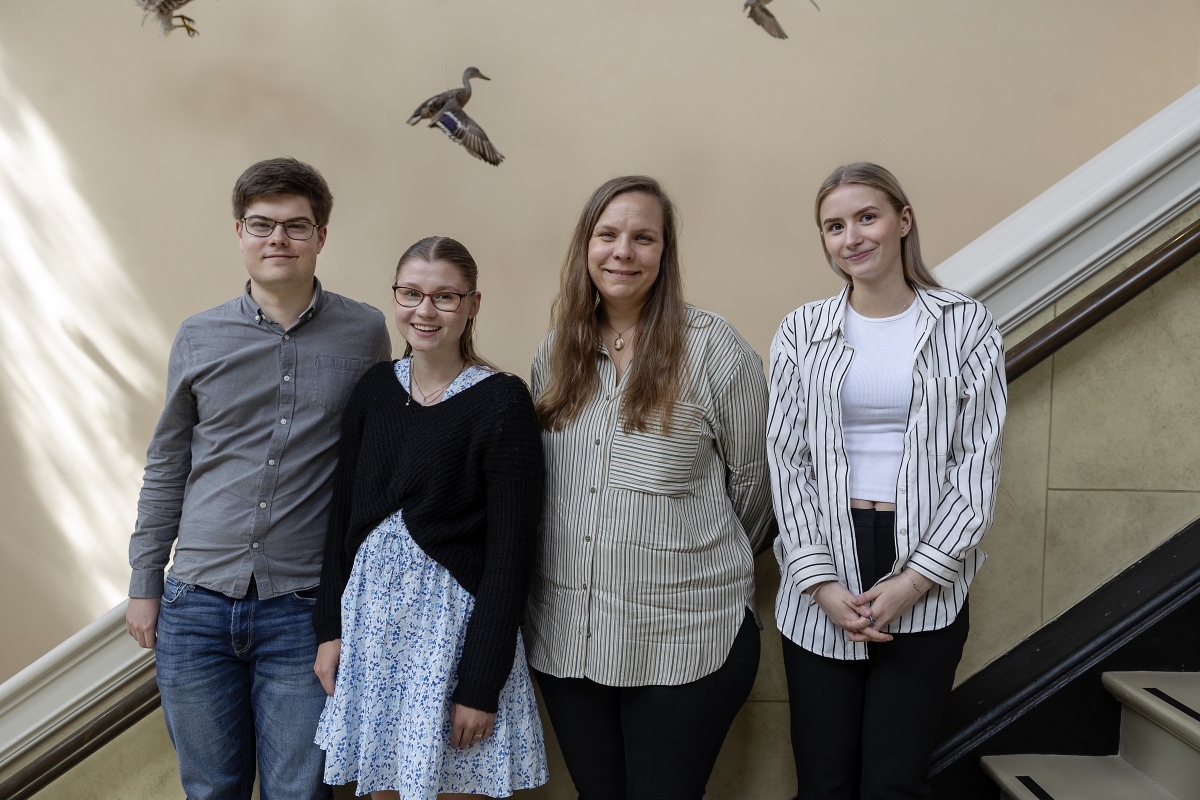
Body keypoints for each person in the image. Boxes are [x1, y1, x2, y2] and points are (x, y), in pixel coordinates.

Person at [125, 157, 392, 799]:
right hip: (194, 605)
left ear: (320, 236)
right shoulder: (199, 336)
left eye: (296, 226)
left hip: (302, 610)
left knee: (300, 790)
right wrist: (144, 580)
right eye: (262, 225)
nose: (279, 239)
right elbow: (168, 464)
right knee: (212, 787)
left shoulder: (365, 332)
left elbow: (375, 461)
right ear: (239, 232)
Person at [524, 175, 776, 800]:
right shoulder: (554, 355)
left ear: (665, 253)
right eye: (607, 235)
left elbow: (757, 490)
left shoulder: (716, 350)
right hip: (569, 642)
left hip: (687, 639)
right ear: (586, 246)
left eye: (644, 238)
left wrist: (676, 560)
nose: (623, 252)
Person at [768, 162, 1007, 799]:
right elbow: (787, 463)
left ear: (903, 221)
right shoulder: (800, 332)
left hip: (925, 564)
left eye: (866, 217)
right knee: (823, 780)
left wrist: (916, 579)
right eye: (834, 226)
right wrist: (818, 582)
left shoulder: (965, 324)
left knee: (894, 782)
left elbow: (977, 465)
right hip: (823, 565)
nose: (852, 237)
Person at [311, 236, 549, 800]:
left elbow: (511, 554)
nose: (425, 310)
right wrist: (330, 630)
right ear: (395, 297)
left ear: (473, 304)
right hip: (373, 635)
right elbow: (341, 517)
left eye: (445, 297)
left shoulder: (502, 402)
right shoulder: (373, 390)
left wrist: (481, 683)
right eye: (412, 293)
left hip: (455, 639)